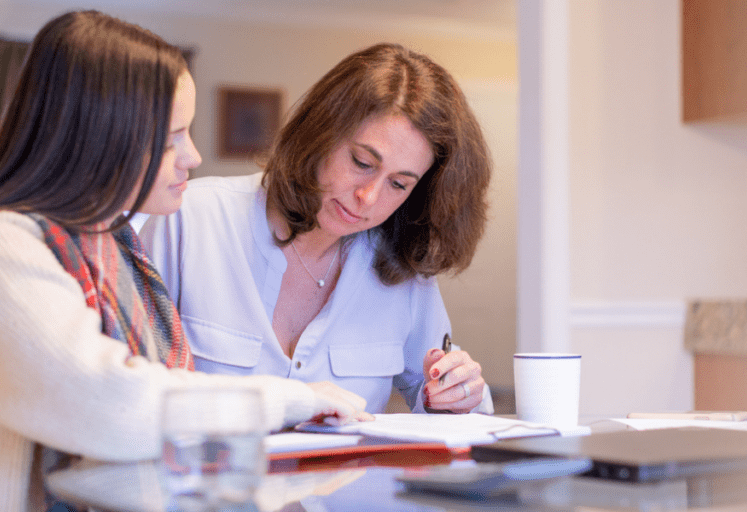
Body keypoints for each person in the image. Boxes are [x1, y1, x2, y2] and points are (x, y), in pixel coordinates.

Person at [0, 11, 369, 511]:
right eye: (170, 140)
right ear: (99, 141)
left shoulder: (110, 243)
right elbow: (104, 404)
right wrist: (290, 400)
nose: (192, 157)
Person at [139, 43, 494, 415]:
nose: (368, 197)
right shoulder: (188, 220)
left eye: (398, 184)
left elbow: (441, 395)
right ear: (321, 132)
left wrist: (456, 392)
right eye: (362, 162)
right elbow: (125, 393)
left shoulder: (402, 267)